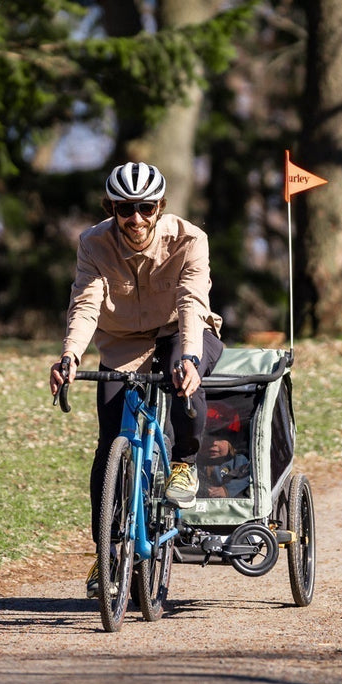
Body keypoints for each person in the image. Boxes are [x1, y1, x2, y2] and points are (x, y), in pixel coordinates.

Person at [48, 161, 225, 596]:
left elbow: (190, 301)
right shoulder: (93, 242)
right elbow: (86, 303)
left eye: (147, 207)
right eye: (126, 209)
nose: (137, 218)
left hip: (181, 333)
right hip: (123, 344)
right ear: (111, 208)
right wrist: (70, 353)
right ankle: (107, 554)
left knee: (185, 380)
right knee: (110, 445)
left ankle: (183, 463)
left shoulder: (189, 240)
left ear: (161, 206)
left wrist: (188, 356)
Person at [197, 433, 251, 499]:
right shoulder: (199, 464)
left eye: (219, 439)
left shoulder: (239, 460)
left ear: (230, 444)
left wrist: (227, 490)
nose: (213, 443)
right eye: (206, 439)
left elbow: (246, 478)